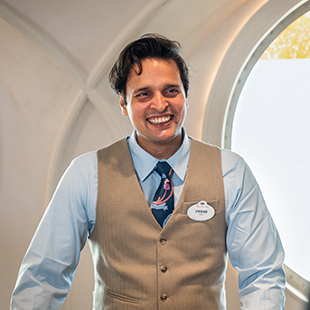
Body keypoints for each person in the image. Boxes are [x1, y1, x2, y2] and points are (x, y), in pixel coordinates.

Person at [10, 34, 286, 310]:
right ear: (123, 103)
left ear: (186, 97)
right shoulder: (86, 174)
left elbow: (262, 273)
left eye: (171, 91)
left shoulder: (231, 172)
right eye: (143, 94)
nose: (160, 105)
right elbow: (43, 277)